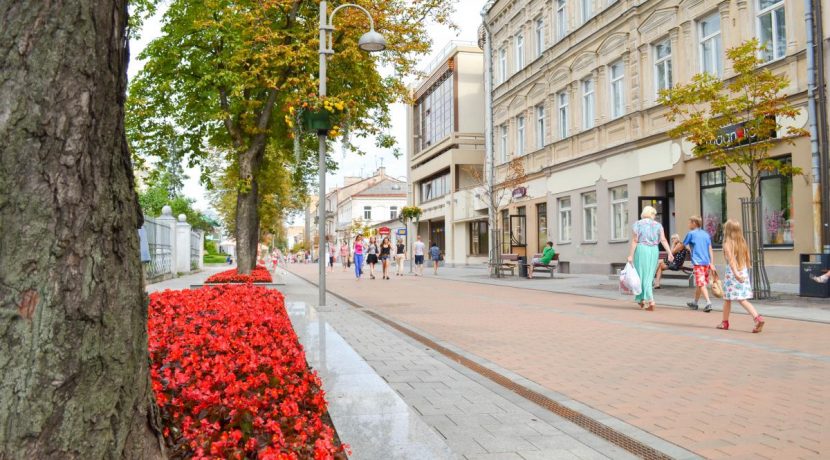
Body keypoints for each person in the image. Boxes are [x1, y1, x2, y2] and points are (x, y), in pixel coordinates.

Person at [718, 220, 765, 333]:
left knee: (728, 299)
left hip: (733, 274)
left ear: (727, 230)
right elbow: (745, 258)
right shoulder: (742, 242)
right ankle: (757, 317)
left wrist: (735, 274)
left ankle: (725, 323)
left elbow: (731, 260)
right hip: (743, 271)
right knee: (742, 299)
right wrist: (740, 273)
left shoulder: (727, 243)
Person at [627, 206, 673, 311]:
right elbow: (663, 240)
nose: (655, 216)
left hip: (642, 249)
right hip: (654, 250)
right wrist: (669, 252)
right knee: (649, 275)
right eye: (654, 214)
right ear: (651, 214)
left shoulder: (637, 224)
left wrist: (631, 255)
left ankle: (650, 300)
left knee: (642, 275)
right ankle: (642, 299)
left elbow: (635, 240)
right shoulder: (658, 225)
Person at [683, 216, 715, 312]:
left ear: (694, 223)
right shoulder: (706, 234)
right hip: (707, 263)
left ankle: (708, 303)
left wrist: (672, 252)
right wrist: (712, 263)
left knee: (701, 283)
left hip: (698, 262)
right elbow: (710, 249)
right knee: (700, 284)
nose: (688, 224)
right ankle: (695, 303)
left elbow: (682, 245)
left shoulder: (691, 234)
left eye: (689, 222)